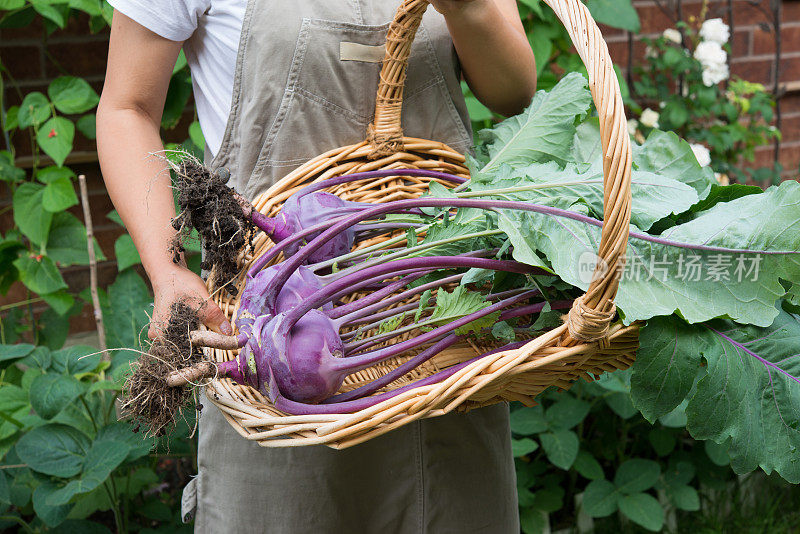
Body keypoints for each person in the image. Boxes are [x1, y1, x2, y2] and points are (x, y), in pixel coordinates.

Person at [97, 0, 537, 532]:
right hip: (269, 332)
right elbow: (127, 109)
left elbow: (513, 90)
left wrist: (468, 9)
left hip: (439, 318)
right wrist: (169, 272)